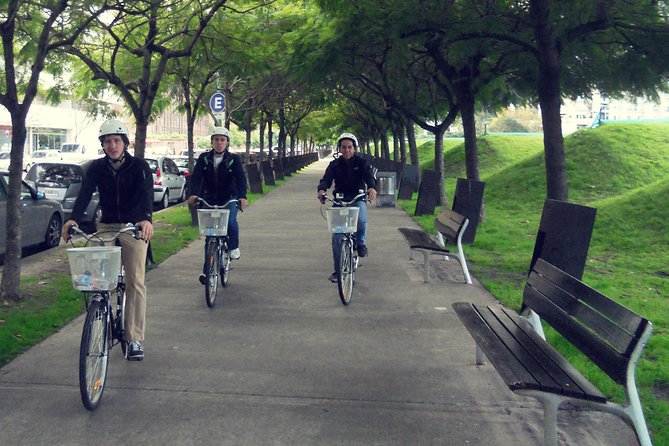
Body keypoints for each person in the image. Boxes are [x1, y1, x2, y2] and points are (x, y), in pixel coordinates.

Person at [62, 118, 154, 361]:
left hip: (134, 226)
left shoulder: (139, 166)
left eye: (116, 140)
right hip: (107, 225)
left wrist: (145, 219)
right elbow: (84, 195)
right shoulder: (96, 167)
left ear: (125, 143)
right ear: (102, 145)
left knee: (135, 281)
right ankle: (99, 313)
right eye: (107, 141)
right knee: (94, 273)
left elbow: (146, 195)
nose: (112, 145)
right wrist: (73, 220)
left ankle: (134, 337)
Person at [188, 127, 248, 285]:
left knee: (230, 223)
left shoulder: (234, 159)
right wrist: (194, 194)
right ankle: (207, 272)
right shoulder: (204, 158)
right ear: (212, 142)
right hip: (209, 198)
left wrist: (242, 196)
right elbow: (197, 177)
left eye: (222, 140)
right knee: (210, 236)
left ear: (227, 142)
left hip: (229, 198)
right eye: (216, 139)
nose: (219, 143)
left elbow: (241, 179)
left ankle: (233, 247)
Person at [317, 133, 377, 282]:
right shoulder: (334, 165)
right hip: (340, 200)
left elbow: (369, 177)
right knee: (337, 237)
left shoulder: (362, 162)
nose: (347, 150)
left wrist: (371, 188)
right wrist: (322, 190)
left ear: (354, 149)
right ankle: (338, 271)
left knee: (361, 220)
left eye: (350, 147)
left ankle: (361, 243)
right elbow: (326, 180)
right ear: (340, 149)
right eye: (344, 147)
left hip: (357, 198)